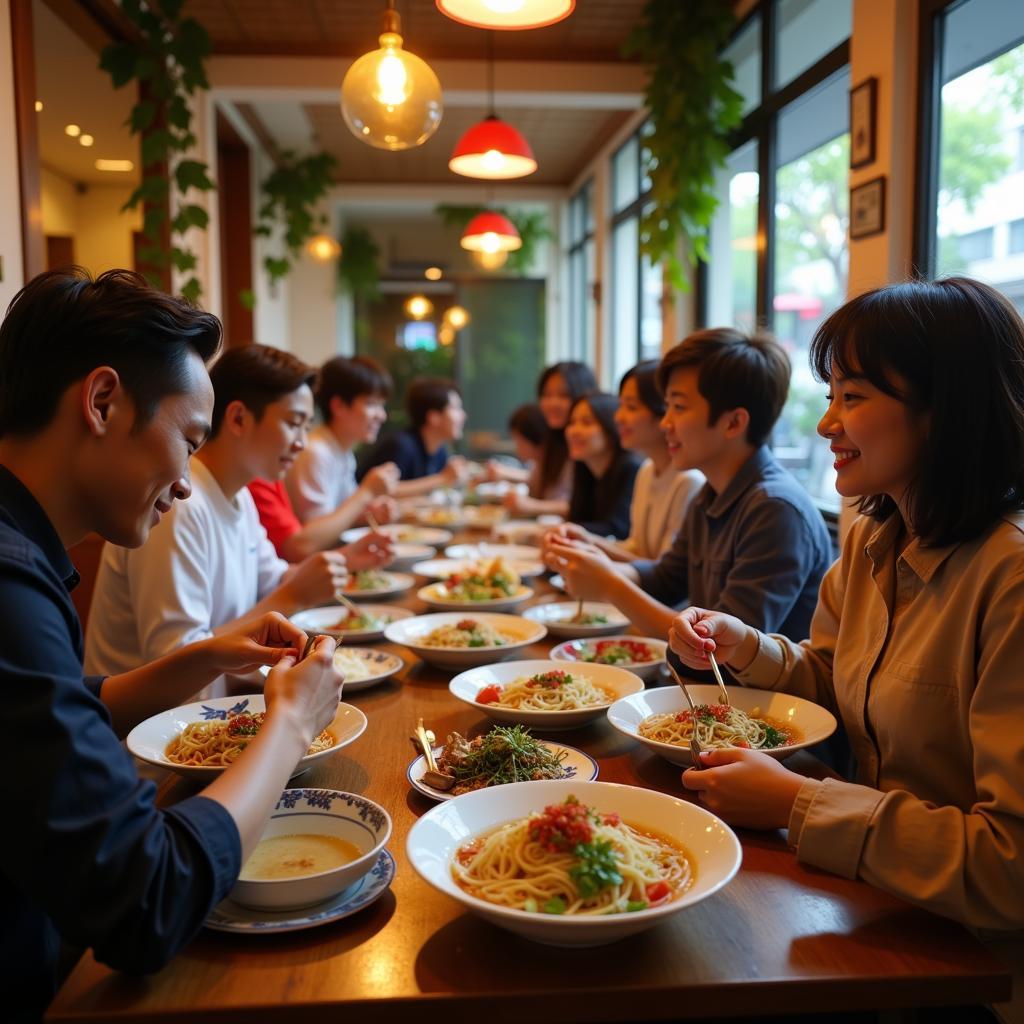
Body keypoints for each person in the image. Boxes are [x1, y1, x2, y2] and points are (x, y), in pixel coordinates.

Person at [667, 279, 1024, 1023]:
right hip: (869, 907)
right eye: (831, 393)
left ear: (945, 408)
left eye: (853, 396)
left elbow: (1010, 866)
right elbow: (834, 682)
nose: (827, 422)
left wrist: (799, 802)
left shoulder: (1009, 577)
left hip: (971, 970)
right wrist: (746, 647)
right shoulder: (870, 536)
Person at [0, 269, 342, 1021]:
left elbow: (50, 709)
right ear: (101, 402)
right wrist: (290, 726)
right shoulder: (10, 586)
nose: (188, 482)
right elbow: (144, 902)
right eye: (189, 441)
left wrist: (205, 655)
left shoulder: (21, 556)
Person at [84, 344, 391, 677]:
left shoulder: (239, 495)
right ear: (239, 418)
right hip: (151, 724)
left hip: (222, 703)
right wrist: (293, 596)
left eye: (306, 427)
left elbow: (273, 580)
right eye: (293, 423)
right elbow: (173, 659)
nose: (302, 442)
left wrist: (346, 560)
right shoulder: (176, 507)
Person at [543, 329, 832, 646]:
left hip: (752, 695)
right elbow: (667, 578)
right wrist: (593, 562)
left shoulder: (775, 509)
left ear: (733, 423)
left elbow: (722, 650)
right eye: (666, 407)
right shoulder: (711, 493)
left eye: (678, 408)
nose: (665, 423)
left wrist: (610, 584)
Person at [550, 361, 702, 561]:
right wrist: (586, 540)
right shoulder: (647, 471)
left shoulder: (688, 481)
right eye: (621, 405)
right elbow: (635, 547)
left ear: (662, 412)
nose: (618, 417)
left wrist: (591, 546)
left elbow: (666, 575)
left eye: (631, 407)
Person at [267, 354, 399, 560]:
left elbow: (338, 517)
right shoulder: (315, 453)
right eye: (372, 404)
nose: (381, 415)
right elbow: (316, 538)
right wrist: (366, 493)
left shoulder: (341, 451)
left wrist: (367, 515)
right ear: (338, 406)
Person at [505, 361, 597, 518]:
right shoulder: (555, 440)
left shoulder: (589, 446)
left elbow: (585, 508)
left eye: (563, 395)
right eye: (546, 395)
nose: (552, 403)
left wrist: (533, 506)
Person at [357, 375, 468, 498]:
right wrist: (442, 478)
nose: (463, 416)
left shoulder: (439, 449)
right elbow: (385, 489)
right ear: (434, 417)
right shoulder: (402, 445)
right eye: (456, 408)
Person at [564, 392, 642, 539]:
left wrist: (564, 529)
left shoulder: (631, 468)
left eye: (586, 423)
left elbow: (618, 530)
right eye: (572, 422)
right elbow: (576, 519)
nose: (574, 431)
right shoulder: (585, 468)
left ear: (611, 428)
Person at [485, 402, 547, 486]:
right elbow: (531, 478)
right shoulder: (536, 465)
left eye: (520, 443)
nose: (518, 450)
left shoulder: (554, 465)